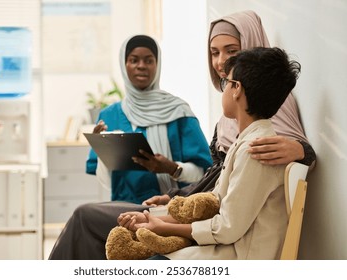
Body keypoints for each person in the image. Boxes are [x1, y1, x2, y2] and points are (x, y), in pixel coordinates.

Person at [48, 10, 316, 260]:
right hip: (186, 207)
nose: (221, 62)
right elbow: (218, 185)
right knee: (101, 227)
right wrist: (172, 200)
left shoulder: (252, 128)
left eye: (231, 52)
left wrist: (303, 150)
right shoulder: (112, 112)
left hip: (215, 231)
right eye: (214, 52)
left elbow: (229, 206)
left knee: (93, 223)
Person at [136, 46, 302, 260]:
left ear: (237, 89)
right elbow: (215, 203)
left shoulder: (256, 150)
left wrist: (166, 228)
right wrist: (155, 219)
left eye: (226, 83)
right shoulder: (245, 142)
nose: (223, 89)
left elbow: (226, 227)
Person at [86, 35, 212, 204]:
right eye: (134, 60)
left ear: (157, 65)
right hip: (126, 211)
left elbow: (205, 173)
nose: (141, 66)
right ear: (124, 65)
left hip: (171, 209)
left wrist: (172, 168)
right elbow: (107, 182)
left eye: (149, 60)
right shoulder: (109, 115)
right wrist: (101, 147)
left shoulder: (178, 112)